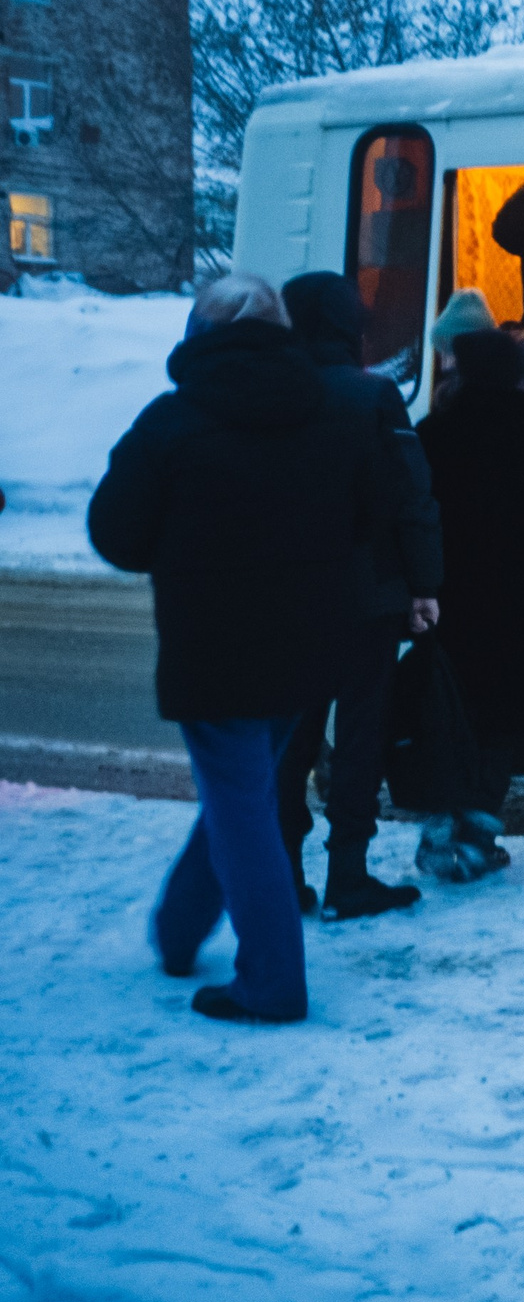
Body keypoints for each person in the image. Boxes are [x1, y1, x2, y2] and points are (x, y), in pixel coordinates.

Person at [87, 275, 393, 1024]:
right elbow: (371, 515)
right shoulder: (333, 410)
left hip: (213, 647)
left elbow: (115, 532)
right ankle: (179, 928)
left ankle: (271, 981)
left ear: (198, 333)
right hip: (309, 644)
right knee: (244, 794)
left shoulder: (172, 420)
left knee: (240, 798)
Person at [272, 271, 445, 920]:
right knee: (360, 735)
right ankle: (349, 871)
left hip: (288, 598)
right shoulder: (371, 397)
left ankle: (285, 873)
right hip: (367, 595)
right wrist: (424, 585)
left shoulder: (269, 395)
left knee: (292, 740)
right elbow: (411, 498)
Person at [416, 327, 524, 778]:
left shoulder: (432, 434)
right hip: (520, 600)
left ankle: (442, 825)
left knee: (451, 708)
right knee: (507, 720)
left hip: (452, 597)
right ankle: (480, 831)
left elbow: (417, 519)